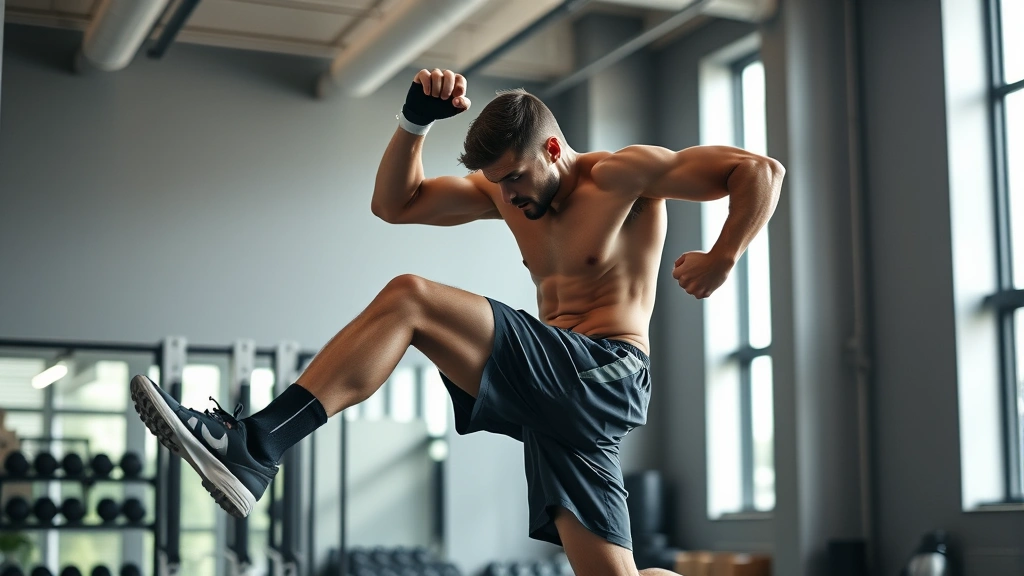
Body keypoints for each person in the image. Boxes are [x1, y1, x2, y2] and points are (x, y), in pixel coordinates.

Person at [131, 68, 784, 576]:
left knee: (409, 299)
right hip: (562, 400)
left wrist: (725, 256)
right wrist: (415, 122)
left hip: (604, 371)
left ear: (553, 148)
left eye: (518, 177)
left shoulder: (621, 176)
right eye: (498, 184)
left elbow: (759, 171)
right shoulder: (507, 194)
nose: (511, 197)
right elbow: (396, 204)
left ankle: (255, 446)